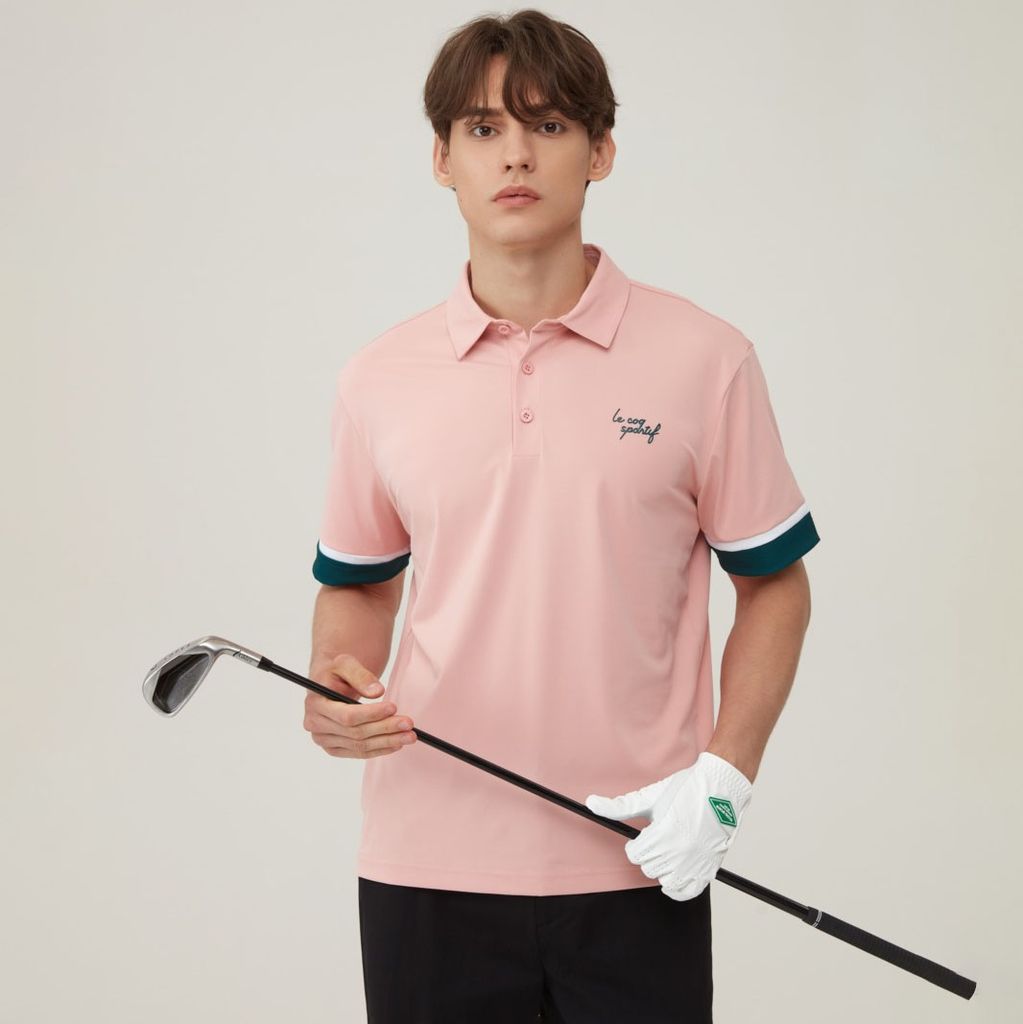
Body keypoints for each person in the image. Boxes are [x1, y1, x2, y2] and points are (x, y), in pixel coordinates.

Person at [304, 9, 819, 1022]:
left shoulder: (706, 359)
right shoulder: (378, 379)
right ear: (442, 159)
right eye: (483, 128)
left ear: (601, 152)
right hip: (426, 865)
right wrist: (335, 685)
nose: (516, 155)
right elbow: (357, 587)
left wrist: (723, 778)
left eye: (547, 125)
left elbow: (775, 586)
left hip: (637, 856)